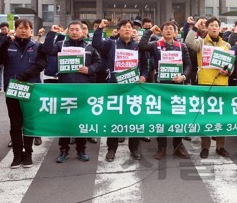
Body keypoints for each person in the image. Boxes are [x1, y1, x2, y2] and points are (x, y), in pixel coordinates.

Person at [43, 21, 102, 163]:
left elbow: (99, 63)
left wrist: (90, 69)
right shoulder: (61, 45)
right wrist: (52, 33)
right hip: (65, 89)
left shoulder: (90, 47)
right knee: (65, 121)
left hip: (83, 89)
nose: (74, 32)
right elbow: (46, 50)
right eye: (72, 30)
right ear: (68, 31)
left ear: (83, 32)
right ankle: (63, 149)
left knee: (81, 120)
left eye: (77, 30)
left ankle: (81, 149)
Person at [0, 19, 46, 168]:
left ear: (31, 30)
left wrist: (23, 76)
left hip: (30, 89)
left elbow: (41, 64)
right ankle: (17, 155)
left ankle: (28, 154)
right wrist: (5, 43)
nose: (23, 30)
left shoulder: (37, 46)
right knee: (15, 124)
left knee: (29, 123)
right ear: (15, 30)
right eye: (20, 28)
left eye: (27, 28)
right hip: (12, 89)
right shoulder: (8, 45)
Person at [92, 19, 149, 161]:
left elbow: (145, 66)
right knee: (114, 119)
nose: (127, 29)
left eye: (130, 27)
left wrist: (143, 76)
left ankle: (134, 148)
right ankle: (112, 149)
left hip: (133, 88)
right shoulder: (111, 44)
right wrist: (100, 29)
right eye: (124, 27)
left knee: (134, 119)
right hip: (115, 87)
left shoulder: (138, 47)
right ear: (118, 30)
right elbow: (96, 44)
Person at [139, 21, 191, 160]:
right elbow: (142, 46)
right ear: (162, 32)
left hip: (177, 87)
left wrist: (183, 76)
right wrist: (150, 31)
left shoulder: (182, 46)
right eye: (165, 29)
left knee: (178, 117)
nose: (168, 31)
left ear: (175, 32)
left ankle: (178, 146)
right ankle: (161, 147)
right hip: (160, 87)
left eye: (171, 29)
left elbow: (188, 65)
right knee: (161, 117)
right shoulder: (156, 45)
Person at [185, 17, 231, 158]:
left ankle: (220, 146)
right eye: (211, 25)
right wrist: (195, 28)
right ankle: (205, 147)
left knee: (221, 117)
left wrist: (228, 71)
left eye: (217, 25)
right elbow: (188, 42)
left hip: (222, 84)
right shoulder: (201, 42)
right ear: (207, 28)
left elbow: (231, 64)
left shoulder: (226, 45)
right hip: (205, 84)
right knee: (205, 117)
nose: (214, 28)